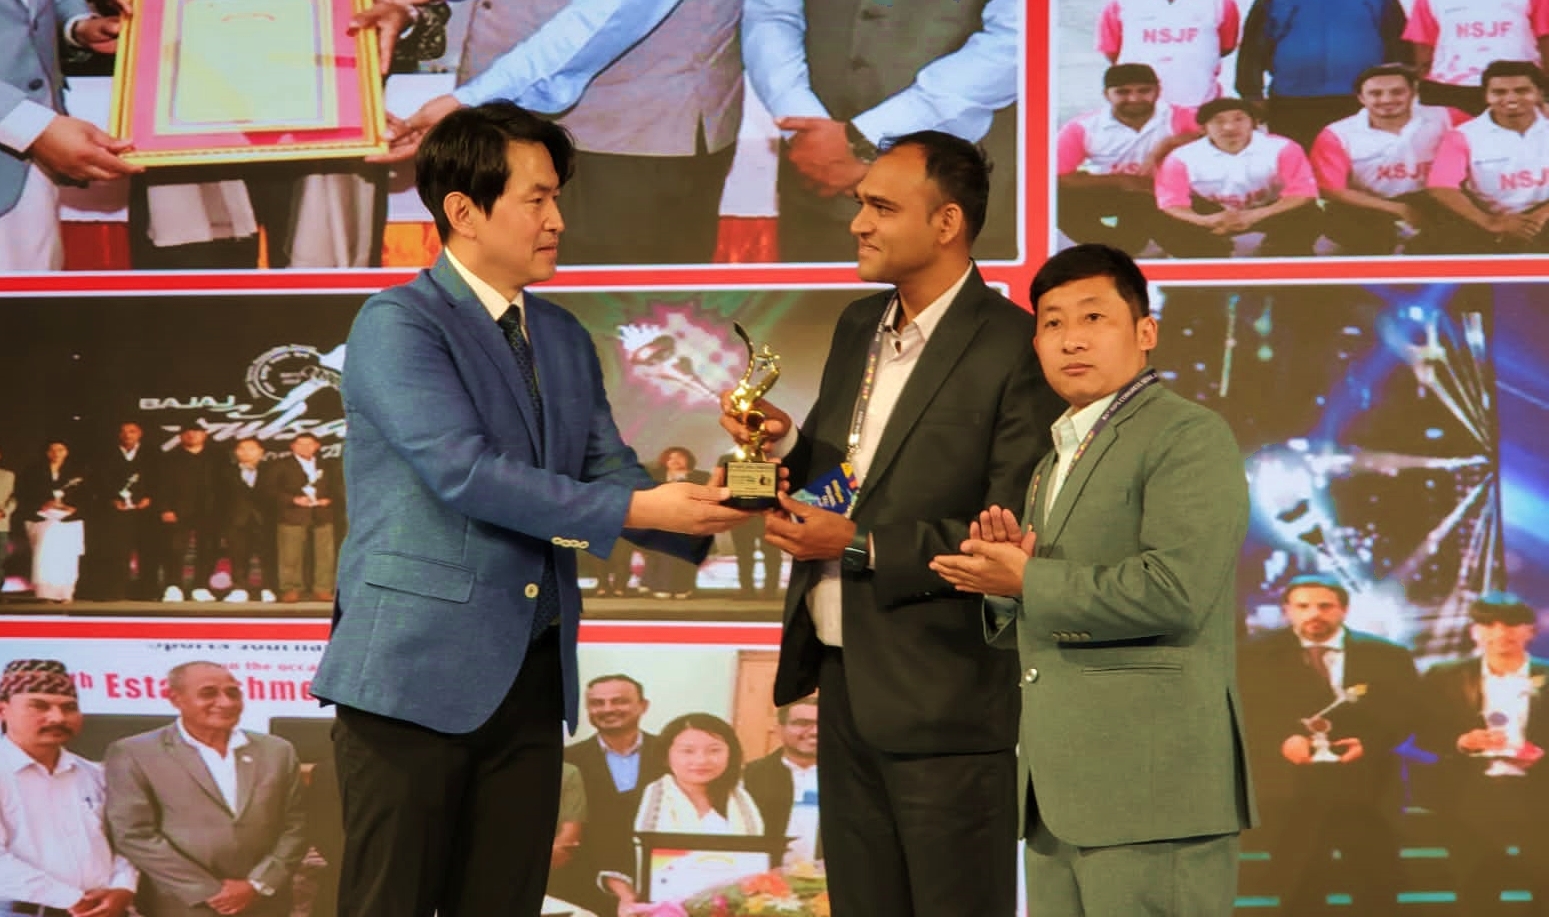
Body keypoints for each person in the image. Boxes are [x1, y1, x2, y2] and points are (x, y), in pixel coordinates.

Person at [309, 101, 751, 917]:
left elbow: (605, 469)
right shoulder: (399, 321)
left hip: (532, 672)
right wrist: (639, 505)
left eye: (557, 198)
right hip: (412, 672)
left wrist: (703, 506)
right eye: (536, 199)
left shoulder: (561, 334)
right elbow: (464, 472)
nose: (557, 220)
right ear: (463, 211)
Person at [719, 130, 1061, 917]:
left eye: (879, 206)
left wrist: (860, 546)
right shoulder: (856, 326)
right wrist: (783, 447)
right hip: (842, 677)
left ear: (946, 222)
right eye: (859, 205)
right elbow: (846, 479)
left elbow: (1010, 528)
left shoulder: (1014, 344)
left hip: (945, 692)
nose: (857, 224)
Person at [930, 243, 1255, 915]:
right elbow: (1048, 601)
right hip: (1057, 796)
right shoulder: (1055, 456)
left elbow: (1174, 591)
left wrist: (1030, 581)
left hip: (1151, 794)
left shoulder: (1186, 433)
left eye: (1093, 317)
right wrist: (1001, 583)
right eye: (1051, 322)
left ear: (1145, 331)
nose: (1070, 339)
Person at [368, 0, 741, 266]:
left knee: (617, 329)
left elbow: (609, 15)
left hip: (630, 138)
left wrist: (474, 100)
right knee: (513, 318)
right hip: (508, 120)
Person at [744, 0, 1021, 262]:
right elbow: (770, 14)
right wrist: (804, 124)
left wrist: (866, 137)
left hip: (959, 190)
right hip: (819, 190)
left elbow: (1013, 41)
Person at [1239, 575, 1419, 913]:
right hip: (1290, 793)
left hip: (1368, 790)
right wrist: (1281, 740)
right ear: (1287, 611)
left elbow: (1407, 712)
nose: (1314, 614)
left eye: (1325, 606)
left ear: (1344, 610)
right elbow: (1243, 712)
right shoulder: (1252, 655)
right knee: (1298, 891)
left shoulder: (1387, 655)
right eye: (1303, 606)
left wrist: (1369, 743)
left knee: (1376, 890)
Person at [104, 662, 308, 917]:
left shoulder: (277, 751)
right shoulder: (134, 753)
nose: (225, 702)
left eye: (233, 692)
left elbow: (297, 825)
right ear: (175, 698)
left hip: (263, 904)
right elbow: (133, 834)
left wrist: (257, 884)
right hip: (181, 905)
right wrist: (206, 890)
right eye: (208, 693)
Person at [1416, 593, 1549, 916]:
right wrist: (1462, 741)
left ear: (1531, 630)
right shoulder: (1444, 675)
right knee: (1476, 888)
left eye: (1512, 624)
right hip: (1471, 797)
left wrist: (1541, 757)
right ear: (1474, 631)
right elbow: (1425, 732)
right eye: (1489, 625)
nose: (1501, 633)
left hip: (1540, 795)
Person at [0, 0, 140, 271]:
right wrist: (29, 125)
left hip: (33, 166)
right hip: (31, 131)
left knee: (32, 292)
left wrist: (78, 25)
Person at [0, 659, 137, 917]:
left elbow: (128, 839)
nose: (58, 717)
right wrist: (73, 900)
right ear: (3, 710)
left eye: (69, 707)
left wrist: (123, 887)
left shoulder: (94, 773)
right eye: (39, 706)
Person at [601, 713, 764, 913]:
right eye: (687, 751)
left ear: (730, 754)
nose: (701, 760)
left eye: (714, 750)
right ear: (666, 755)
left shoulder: (751, 802)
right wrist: (627, 897)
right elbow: (611, 859)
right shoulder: (633, 802)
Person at [1310, 63, 1463, 255]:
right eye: (1375, 94)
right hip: (1369, 205)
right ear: (1361, 98)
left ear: (1413, 92)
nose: (1387, 99)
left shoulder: (1448, 117)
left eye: (1397, 92)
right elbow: (1331, 189)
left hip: (1435, 200)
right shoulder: (1337, 134)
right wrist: (1398, 209)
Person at [1056, 63, 1199, 255]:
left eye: (1144, 91)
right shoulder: (1082, 127)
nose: (1134, 99)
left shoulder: (1183, 117)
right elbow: (1060, 175)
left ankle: (1190, 247)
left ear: (1158, 91)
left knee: (1197, 245)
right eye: (1122, 92)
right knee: (1056, 198)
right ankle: (1118, 246)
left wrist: (1167, 145)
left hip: (1172, 197)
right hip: (1118, 195)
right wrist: (1123, 180)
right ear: (1107, 94)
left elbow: (1226, 139)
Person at [1154, 97, 1323, 257]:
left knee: (1308, 213)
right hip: (1213, 213)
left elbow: (1302, 193)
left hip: (1268, 209)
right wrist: (1205, 221)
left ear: (1253, 123)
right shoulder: (1181, 157)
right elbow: (1172, 203)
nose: (1229, 127)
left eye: (1239, 119)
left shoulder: (1283, 147)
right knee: (1165, 221)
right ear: (1203, 129)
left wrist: (1255, 215)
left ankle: (1278, 253)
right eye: (1218, 121)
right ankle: (1211, 255)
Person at [1235, 0, 1409, 151]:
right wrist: (1251, 93)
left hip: (1362, 101)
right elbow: (1253, 46)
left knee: (1359, 166)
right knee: (1298, 168)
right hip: (1293, 100)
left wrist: (1404, 90)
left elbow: (1397, 41)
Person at [563, 675, 666, 916]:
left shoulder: (670, 754)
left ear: (643, 706)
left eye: (619, 701)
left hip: (659, 879)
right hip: (583, 886)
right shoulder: (567, 760)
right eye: (597, 703)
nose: (608, 709)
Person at [1425, 60, 1549, 254]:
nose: (1511, 98)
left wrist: (1542, 215)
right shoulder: (1464, 135)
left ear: (1539, 94)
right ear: (1486, 96)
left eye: (1522, 90)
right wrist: (1491, 223)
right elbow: (1441, 187)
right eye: (1499, 92)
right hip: (1487, 219)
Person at [1404, 0, 1549, 114]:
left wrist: (1543, 84)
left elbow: (1545, 37)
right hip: (1450, 89)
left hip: (1515, 86)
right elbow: (1423, 48)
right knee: (1452, 139)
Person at [1096, 0, 1241, 109]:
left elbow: (1225, 47)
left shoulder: (1221, 4)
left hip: (1201, 105)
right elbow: (1112, 51)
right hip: (1139, 109)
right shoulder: (1119, 4)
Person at [743, 696, 821, 865]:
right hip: (762, 876)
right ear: (779, 729)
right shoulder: (748, 777)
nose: (815, 731)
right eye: (802, 723)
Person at [270, 433, 341, 603]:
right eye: (300, 444)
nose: (305, 447)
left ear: (317, 446)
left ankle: (323, 589)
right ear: (292, 446)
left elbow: (338, 487)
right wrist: (293, 499)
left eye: (309, 444)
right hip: (292, 515)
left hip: (322, 515)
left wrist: (329, 500)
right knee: (290, 554)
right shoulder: (281, 465)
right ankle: (291, 588)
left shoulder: (327, 465)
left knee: (325, 555)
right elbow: (269, 490)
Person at [91, 421, 157, 601]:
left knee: (147, 551)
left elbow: (160, 479)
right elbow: (98, 480)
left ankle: (147, 592)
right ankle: (115, 591)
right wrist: (111, 499)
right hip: (116, 512)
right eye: (124, 431)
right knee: (116, 552)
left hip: (145, 512)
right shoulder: (106, 454)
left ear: (140, 433)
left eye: (132, 431)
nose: (127, 435)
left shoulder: (152, 453)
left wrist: (150, 497)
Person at [16, 439, 88, 603]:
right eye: (52, 450)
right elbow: (23, 493)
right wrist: (42, 504)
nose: (56, 454)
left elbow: (87, 496)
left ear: (66, 452)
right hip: (43, 519)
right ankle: (45, 593)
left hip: (68, 520)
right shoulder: (34, 471)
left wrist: (72, 507)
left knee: (66, 557)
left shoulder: (77, 471)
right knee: (45, 556)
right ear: (47, 453)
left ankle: (65, 593)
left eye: (60, 450)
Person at [157, 423, 221, 603]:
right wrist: (165, 508)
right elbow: (161, 486)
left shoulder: (217, 458)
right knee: (174, 549)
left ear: (205, 435)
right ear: (181, 436)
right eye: (188, 432)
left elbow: (225, 486)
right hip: (178, 511)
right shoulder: (170, 458)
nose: (192, 434)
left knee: (207, 549)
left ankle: (201, 586)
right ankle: (173, 586)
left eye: (197, 431)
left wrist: (222, 512)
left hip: (209, 511)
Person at [642, 447, 709, 599]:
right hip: (660, 522)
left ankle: (684, 587)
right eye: (671, 458)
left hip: (691, 523)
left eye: (680, 457)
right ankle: (662, 586)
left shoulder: (701, 477)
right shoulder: (655, 476)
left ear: (688, 460)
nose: (675, 460)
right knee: (664, 554)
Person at [220, 437, 276, 603]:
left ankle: (268, 588)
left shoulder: (271, 470)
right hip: (236, 520)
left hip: (265, 520)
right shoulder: (226, 471)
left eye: (251, 449)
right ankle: (239, 588)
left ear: (261, 452)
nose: (246, 453)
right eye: (242, 449)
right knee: (238, 556)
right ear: (236, 452)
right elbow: (218, 497)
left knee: (268, 555)